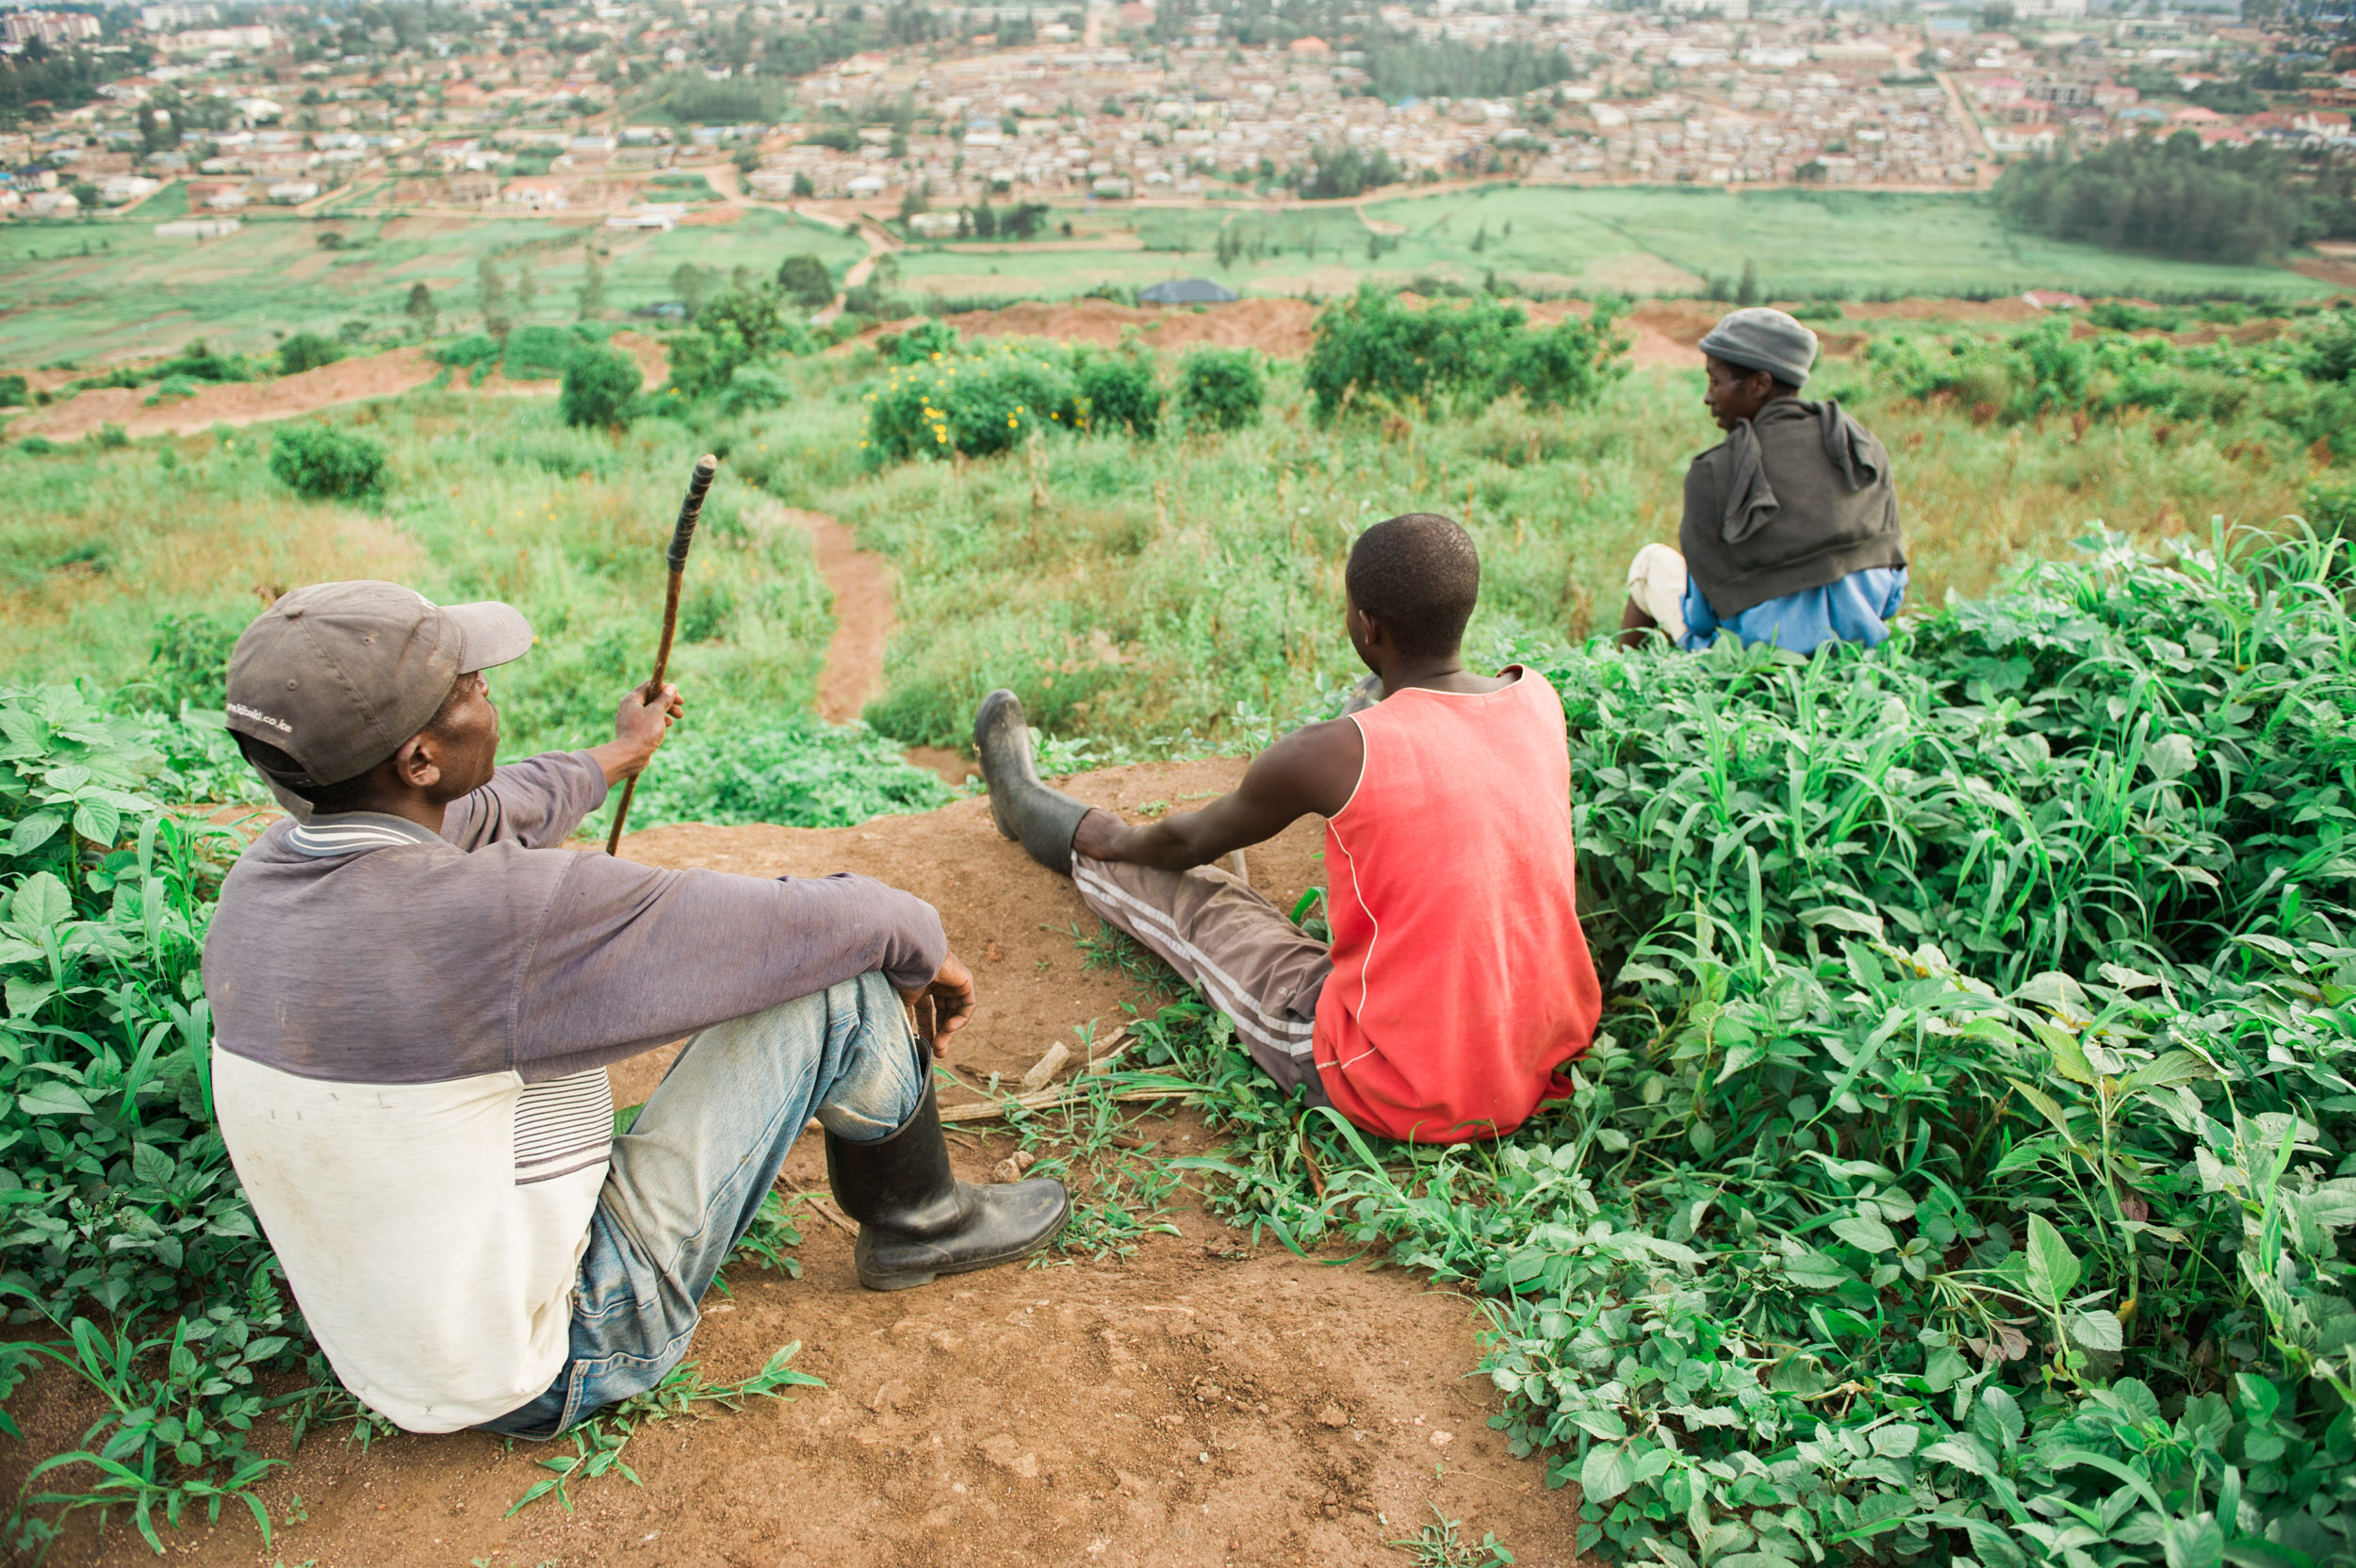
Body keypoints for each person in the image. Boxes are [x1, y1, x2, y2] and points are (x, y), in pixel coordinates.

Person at [204, 580, 1069, 1441]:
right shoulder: (502, 920)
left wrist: (620, 751)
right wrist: (923, 948)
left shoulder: (260, 890)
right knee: (838, 980)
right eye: (467, 687)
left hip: (402, 1363)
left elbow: (491, 812)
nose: (486, 692)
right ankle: (923, 1217)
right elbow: (828, 925)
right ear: (421, 759)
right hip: (562, 1351)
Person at [974, 514, 1601, 1146]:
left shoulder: (1329, 756)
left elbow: (1188, 844)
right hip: (1543, 1055)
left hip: (1397, 1084)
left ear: (1366, 625)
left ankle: (1023, 801)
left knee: (1199, 901)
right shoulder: (1537, 699)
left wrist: (1116, 838)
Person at [1620, 306, 1907, 655]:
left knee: (1650, 562)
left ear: (1760, 385)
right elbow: (1893, 590)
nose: (1708, 397)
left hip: (1755, 659)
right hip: (1856, 644)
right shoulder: (1859, 447)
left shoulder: (1716, 470)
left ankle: (1622, 681)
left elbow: (1700, 617)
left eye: (1715, 381)